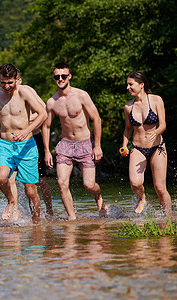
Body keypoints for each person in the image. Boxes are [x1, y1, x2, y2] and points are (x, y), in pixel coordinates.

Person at [0, 63, 47, 224]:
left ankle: (36, 223)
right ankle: (11, 201)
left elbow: (43, 114)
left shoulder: (25, 92)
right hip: (5, 144)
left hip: (26, 145)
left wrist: (27, 130)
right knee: (1, 178)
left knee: (30, 190)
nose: (6, 86)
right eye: (3, 82)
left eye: (10, 82)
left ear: (17, 79)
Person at [43, 62, 108, 220]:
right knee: (61, 184)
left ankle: (98, 196)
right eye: (57, 76)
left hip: (85, 144)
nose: (60, 79)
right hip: (65, 146)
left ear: (69, 76)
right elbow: (46, 126)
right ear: (54, 78)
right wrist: (46, 151)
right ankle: (72, 219)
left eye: (63, 76)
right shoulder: (52, 102)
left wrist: (97, 146)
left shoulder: (81, 95)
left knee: (89, 184)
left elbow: (96, 119)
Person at [121, 71, 171, 216]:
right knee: (135, 183)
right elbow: (128, 129)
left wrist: (156, 132)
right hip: (137, 148)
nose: (128, 87)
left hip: (157, 147)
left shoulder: (156, 100)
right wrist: (124, 145)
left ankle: (167, 219)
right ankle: (142, 198)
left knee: (160, 187)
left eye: (131, 84)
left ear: (141, 84)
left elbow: (163, 124)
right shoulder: (128, 107)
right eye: (127, 85)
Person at [8, 70, 54, 217]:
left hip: (33, 139)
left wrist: (27, 123)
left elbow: (43, 111)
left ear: (19, 80)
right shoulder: (6, 95)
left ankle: (49, 210)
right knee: (11, 179)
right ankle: (16, 211)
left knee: (40, 180)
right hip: (14, 143)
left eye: (15, 81)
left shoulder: (27, 91)